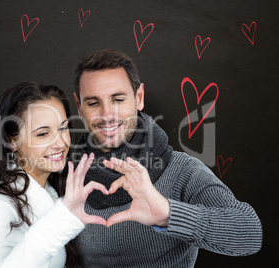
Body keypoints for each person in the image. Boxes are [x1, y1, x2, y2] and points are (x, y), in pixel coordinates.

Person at [72, 49, 263, 267]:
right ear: (79, 107)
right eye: (93, 103)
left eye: (118, 99)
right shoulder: (68, 178)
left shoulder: (183, 171)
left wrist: (168, 215)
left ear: (139, 97)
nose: (107, 115)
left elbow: (249, 234)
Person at [0, 82, 109, 268]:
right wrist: (63, 220)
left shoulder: (53, 192)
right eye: (43, 134)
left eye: (63, 128)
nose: (60, 143)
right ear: (12, 140)